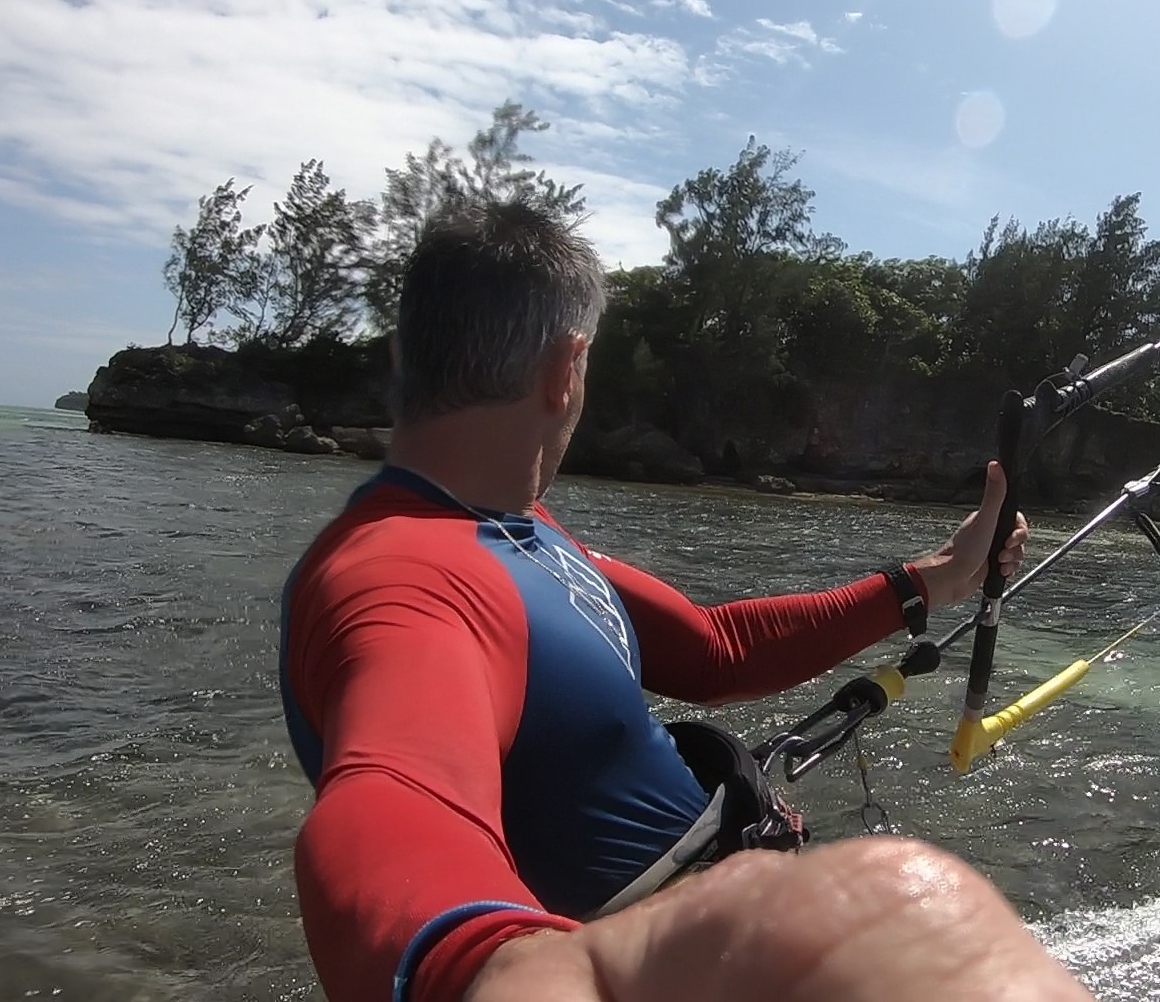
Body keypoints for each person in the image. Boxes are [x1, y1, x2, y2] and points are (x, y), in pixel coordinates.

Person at [277, 197, 1080, 1002]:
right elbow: (388, 799)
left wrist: (937, 576)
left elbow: (711, 650)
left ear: (400, 360)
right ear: (566, 372)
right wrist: (509, 968)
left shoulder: (512, 530)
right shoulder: (403, 578)